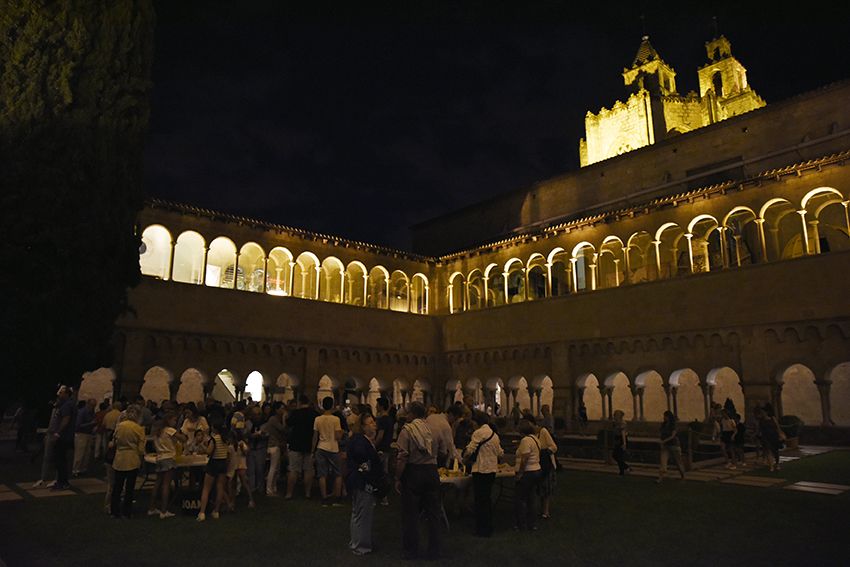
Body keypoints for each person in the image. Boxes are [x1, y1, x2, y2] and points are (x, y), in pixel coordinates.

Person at [395, 401, 441, 560]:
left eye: (408, 413)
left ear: (413, 414)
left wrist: (397, 477)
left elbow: (402, 457)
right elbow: (442, 450)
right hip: (431, 471)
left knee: (411, 513)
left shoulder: (407, 431)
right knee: (433, 513)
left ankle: (411, 550)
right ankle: (435, 549)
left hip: (414, 471)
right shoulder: (434, 430)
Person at [347, 413, 383, 556]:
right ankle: (361, 545)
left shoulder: (360, 440)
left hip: (358, 481)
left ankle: (356, 542)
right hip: (363, 482)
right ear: (363, 427)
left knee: (357, 513)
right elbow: (363, 462)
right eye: (370, 423)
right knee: (363, 514)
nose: (374, 425)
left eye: (374, 422)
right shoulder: (361, 442)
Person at [463, 411, 503, 537]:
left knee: (480, 500)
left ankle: (481, 528)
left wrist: (465, 457)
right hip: (492, 469)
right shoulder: (494, 435)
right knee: (487, 499)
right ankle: (488, 526)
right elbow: (500, 452)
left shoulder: (478, 433)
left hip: (480, 469)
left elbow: (470, 450)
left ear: (477, 422)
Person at [147, 412, 186, 518]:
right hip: (168, 457)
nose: (175, 422)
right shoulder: (169, 430)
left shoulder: (157, 432)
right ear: (168, 420)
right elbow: (183, 439)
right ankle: (164, 510)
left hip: (160, 457)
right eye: (174, 420)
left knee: (158, 483)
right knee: (166, 484)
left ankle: (152, 507)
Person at [111, 405, 146, 518]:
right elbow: (141, 449)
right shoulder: (139, 429)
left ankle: (114, 510)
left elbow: (114, 441)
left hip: (119, 457)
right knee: (129, 488)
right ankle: (127, 511)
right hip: (132, 458)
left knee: (117, 486)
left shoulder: (120, 426)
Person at [285, 395, 318, 499]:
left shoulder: (296, 413)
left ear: (300, 402)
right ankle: (307, 493)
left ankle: (289, 493)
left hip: (296, 443)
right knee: (308, 470)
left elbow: (288, 423)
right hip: (309, 444)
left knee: (293, 469)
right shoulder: (314, 414)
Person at [197, 414, 229, 522]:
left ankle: (202, 512)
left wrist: (203, 446)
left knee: (206, 488)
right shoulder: (225, 439)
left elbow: (209, 452)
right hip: (223, 462)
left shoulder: (214, 439)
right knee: (220, 487)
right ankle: (216, 511)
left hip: (214, 463)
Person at [313, 396, 344, 506]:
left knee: (322, 474)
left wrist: (313, 449)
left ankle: (324, 497)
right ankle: (337, 497)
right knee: (338, 473)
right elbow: (338, 436)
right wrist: (341, 433)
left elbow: (315, 436)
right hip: (333, 447)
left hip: (321, 446)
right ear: (332, 405)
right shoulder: (336, 419)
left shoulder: (318, 419)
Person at [514, 419, 543, 531]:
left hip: (528, 471)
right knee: (532, 498)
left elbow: (525, 458)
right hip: (536, 469)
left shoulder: (525, 440)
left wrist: (520, 473)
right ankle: (532, 523)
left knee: (520, 499)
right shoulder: (535, 439)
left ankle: (521, 524)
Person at [52, 385, 76, 491]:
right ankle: (61, 481)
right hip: (65, 436)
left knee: (60, 459)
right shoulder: (67, 404)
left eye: (61, 393)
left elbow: (66, 419)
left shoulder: (67, 405)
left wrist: (58, 433)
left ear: (67, 394)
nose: (59, 394)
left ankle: (62, 482)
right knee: (60, 459)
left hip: (63, 436)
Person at [226, 424, 255, 510]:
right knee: (233, 484)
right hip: (234, 466)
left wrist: (242, 449)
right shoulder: (230, 446)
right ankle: (232, 502)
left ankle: (250, 500)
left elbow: (246, 452)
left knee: (244, 482)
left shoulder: (241, 444)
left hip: (241, 465)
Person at [263, 402, 287, 496]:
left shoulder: (274, 419)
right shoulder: (273, 419)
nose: (283, 410)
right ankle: (269, 489)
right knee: (273, 468)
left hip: (275, 445)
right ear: (276, 410)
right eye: (281, 408)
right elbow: (283, 429)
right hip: (273, 445)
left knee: (275, 468)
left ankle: (273, 487)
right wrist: (284, 419)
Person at [536, 418, 558, 519]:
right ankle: (542, 509)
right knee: (541, 488)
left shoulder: (543, 432)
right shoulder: (531, 435)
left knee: (546, 488)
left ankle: (546, 511)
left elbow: (553, 447)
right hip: (538, 464)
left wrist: (544, 452)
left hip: (546, 464)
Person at [656, 411, 685, 483]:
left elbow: (673, 436)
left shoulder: (673, 425)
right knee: (663, 462)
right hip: (665, 446)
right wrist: (661, 441)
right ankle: (660, 478)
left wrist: (664, 441)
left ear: (669, 417)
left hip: (674, 445)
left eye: (665, 416)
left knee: (678, 462)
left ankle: (683, 476)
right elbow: (661, 434)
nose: (664, 417)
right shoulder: (663, 425)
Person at [246, 405, 269, 494]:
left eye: (258, 414)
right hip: (251, 448)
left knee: (260, 469)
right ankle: (251, 488)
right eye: (255, 414)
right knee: (251, 470)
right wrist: (251, 435)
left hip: (260, 448)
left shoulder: (265, 424)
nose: (257, 416)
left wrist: (262, 435)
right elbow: (245, 433)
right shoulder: (248, 423)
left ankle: (260, 488)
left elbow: (267, 435)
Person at [72, 398, 96, 476]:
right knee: (80, 453)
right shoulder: (82, 412)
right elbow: (78, 425)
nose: (93, 407)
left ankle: (83, 468)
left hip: (88, 433)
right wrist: (90, 423)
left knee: (87, 453)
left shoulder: (92, 412)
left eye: (94, 405)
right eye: (92, 405)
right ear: (88, 404)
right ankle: (75, 469)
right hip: (81, 434)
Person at [756, 406, 782, 472]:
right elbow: (759, 429)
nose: (762, 413)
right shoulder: (761, 420)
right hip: (765, 437)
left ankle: (777, 464)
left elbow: (778, 427)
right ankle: (771, 466)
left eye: (763, 412)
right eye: (761, 412)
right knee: (768, 451)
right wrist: (758, 434)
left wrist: (780, 435)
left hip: (774, 436)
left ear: (766, 412)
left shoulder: (773, 418)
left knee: (775, 451)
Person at [611, 409, 631, 475]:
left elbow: (623, 433)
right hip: (617, 439)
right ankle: (623, 469)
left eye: (615, 415)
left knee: (618, 455)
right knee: (616, 455)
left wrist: (624, 443)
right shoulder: (615, 423)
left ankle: (624, 468)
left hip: (621, 440)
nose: (614, 416)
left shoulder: (622, 423)